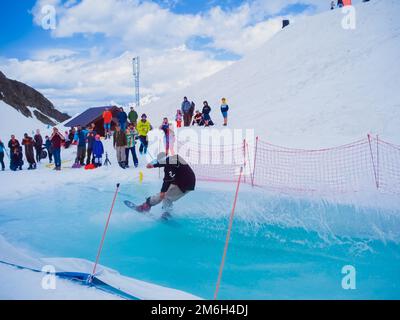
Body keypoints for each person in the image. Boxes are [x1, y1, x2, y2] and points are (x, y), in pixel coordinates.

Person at [136, 152, 196, 219]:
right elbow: (165, 163)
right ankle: (148, 204)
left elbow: (168, 180)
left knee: (166, 196)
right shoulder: (173, 158)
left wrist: (163, 191)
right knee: (163, 194)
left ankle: (167, 214)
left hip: (185, 184)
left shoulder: (169, 166)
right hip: (181, 180)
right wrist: (154, 165)